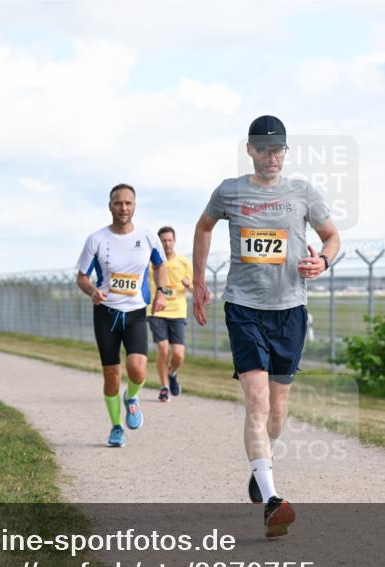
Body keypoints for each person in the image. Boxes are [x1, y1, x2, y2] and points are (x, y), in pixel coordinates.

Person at [192, 115, 341, 538]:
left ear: (285, 152)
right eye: (264, 149)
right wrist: (199, 280)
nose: (272, 157)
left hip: (290, 309)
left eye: (279, 150)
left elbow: (332, 237)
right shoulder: (229, 191)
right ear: (250, 150)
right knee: (256, 402)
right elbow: (203, 227)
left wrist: (323, 260)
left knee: (277, 410)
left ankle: (262, 468)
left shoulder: (303, 193)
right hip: (244, 307)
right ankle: (273, 499)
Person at [75, 184, 167, 447]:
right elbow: (81, 277)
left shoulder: (148, 237)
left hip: (135, 312)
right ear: (110, 206)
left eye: (128, 203)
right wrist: (92, 291)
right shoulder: (96, 239)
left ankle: (132, 397)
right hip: (106, 313)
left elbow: (160, 266)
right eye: (118, 203)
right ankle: (116, 427)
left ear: (134, 206)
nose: (123, 208)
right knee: (112, 375)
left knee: (137, 370)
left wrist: (161, 292)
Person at [146, 226, 193, 402]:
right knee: (164, 349)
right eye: (163, 241)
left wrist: (189, 285)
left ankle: (172, 374)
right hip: (156, 310)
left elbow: (196, 289)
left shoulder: (184, 263)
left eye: (169, 240)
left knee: (178, 354)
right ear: (159, 243)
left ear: (174, 241)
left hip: (178, 312)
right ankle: (164, 387)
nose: (167, 244)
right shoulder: (151, 263)